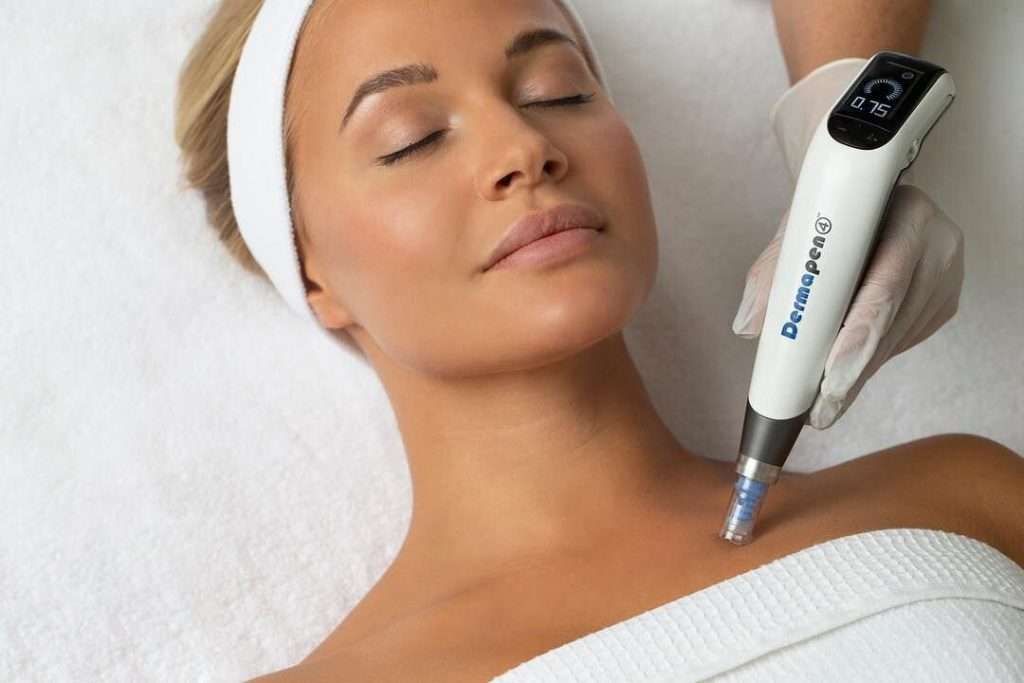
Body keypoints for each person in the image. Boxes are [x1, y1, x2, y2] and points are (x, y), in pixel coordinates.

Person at [173, 0, 1023, 680]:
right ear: (308, 265)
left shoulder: (965, 497)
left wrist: (841, 111)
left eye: (558, 92)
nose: (525, 147)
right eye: (413, 138)